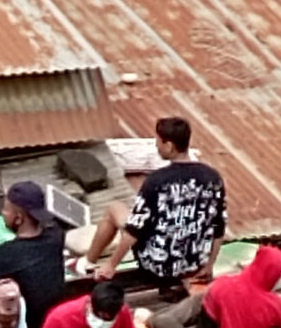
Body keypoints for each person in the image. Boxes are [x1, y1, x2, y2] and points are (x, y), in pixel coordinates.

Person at [79, 117, 227, 289]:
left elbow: (134, 230)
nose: (156, 146)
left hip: (157, 266)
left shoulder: (157, 181)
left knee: (115, 209)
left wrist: (111, 265)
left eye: (158, 141)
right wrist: (209, 265)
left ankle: (88, 262)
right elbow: (219, 227)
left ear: (169, 146)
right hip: (194, 264)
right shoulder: (212, 178)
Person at [0, 181, 70, 328]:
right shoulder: (56, 235)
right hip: (54, 321)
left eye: (5, 209)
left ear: (18, 219)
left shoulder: (4, 254)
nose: (2, 213)